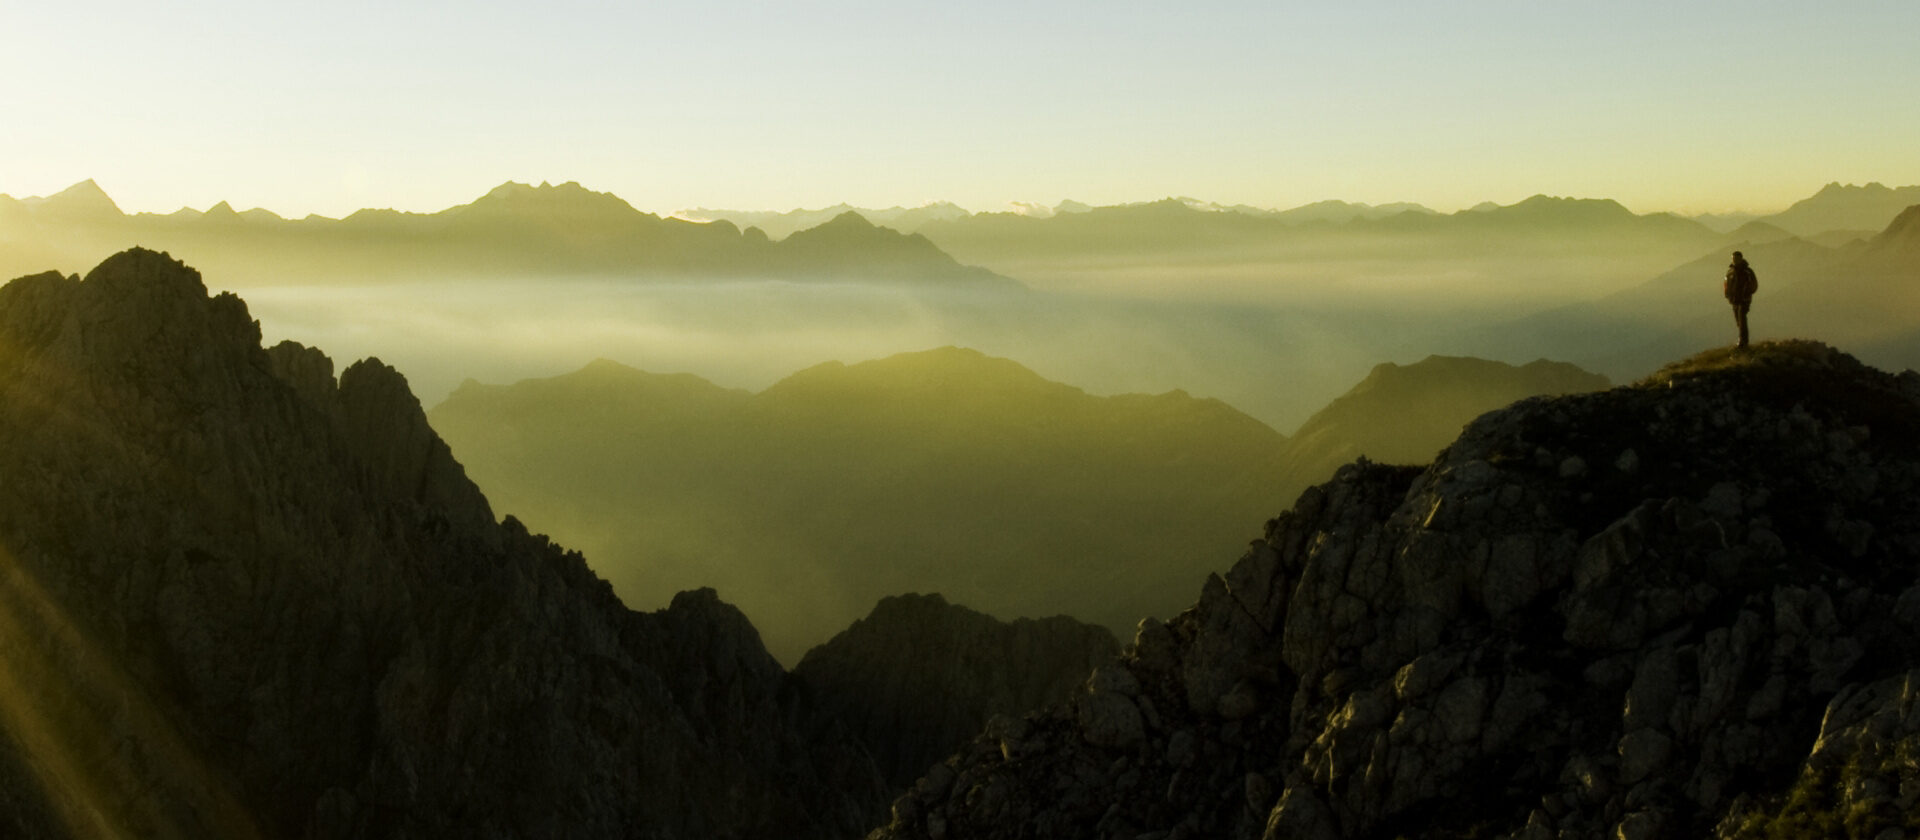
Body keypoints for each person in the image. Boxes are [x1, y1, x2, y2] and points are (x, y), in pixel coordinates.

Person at [1724, 251, 1758, 348]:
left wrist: (1747, 294)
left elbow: (1754, 285)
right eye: (1733, 258)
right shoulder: (1730, 272)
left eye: (1737, 258)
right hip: (1734, 300)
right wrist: (1727, 295)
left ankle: (1743, 342)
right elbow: (1726, 285)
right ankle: (1742, 339)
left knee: (1742, 318)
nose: (1735, 260)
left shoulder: (1747, 271)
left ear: (1741, 258)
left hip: (1744, 300)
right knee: (1738, 320)